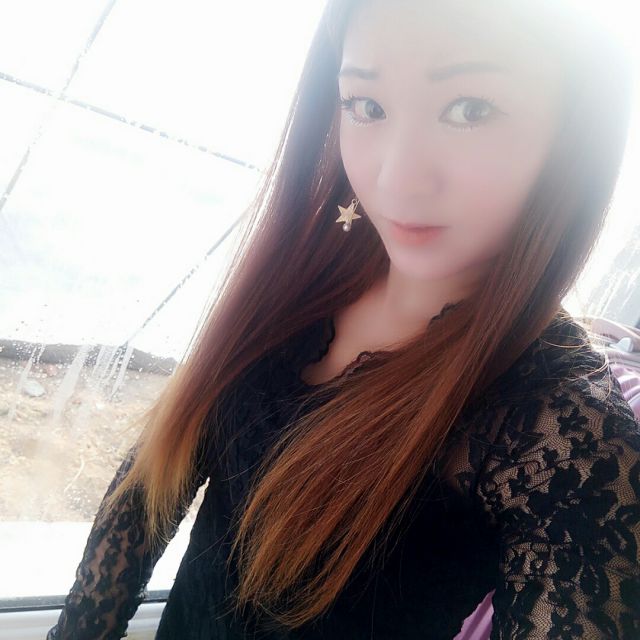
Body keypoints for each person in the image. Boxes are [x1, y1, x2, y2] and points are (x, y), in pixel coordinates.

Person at [48, 1, 640, 638]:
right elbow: (154, 476)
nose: (394, 178)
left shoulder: (564, 430)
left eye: (470, 109)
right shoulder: (299, 284)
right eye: (367, 105)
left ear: (572, 136)